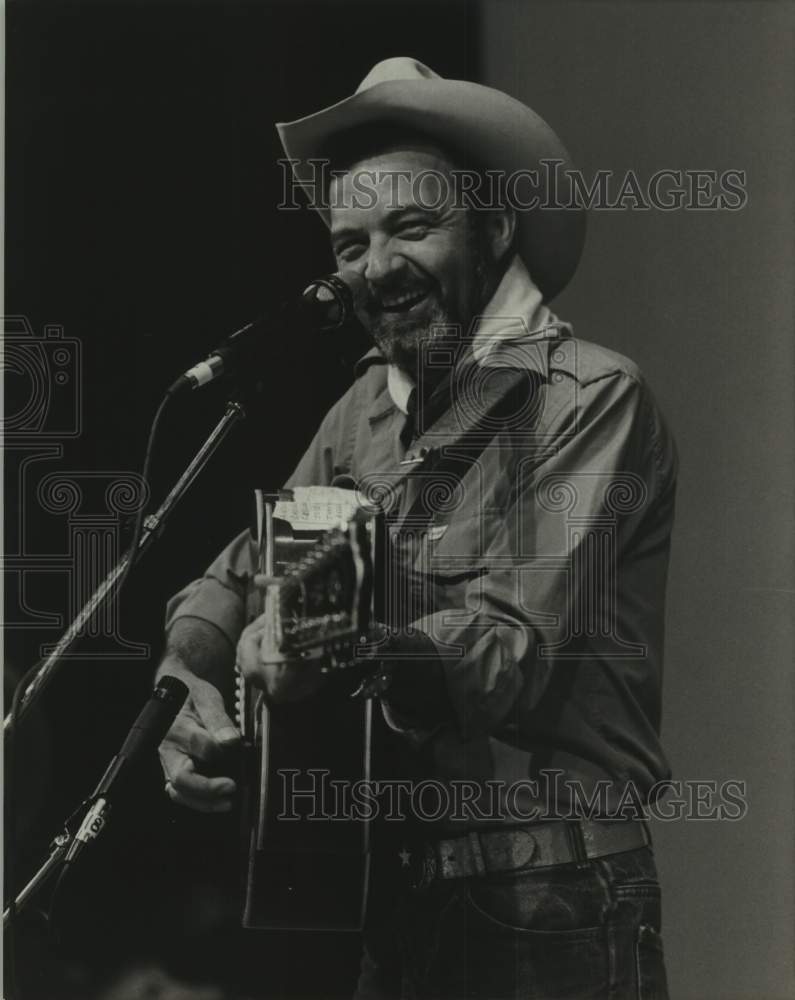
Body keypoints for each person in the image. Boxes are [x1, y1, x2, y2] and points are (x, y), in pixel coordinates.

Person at [157, 58, 676, 999]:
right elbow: (239, 570)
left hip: (550, 900)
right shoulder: (363, 411)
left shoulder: (587, 397)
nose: (377, 268)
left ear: (493, 228)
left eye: (411, 227)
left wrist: (339, 644)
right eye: (349, 244)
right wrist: (187, 675)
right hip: (394, 907)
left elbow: (504, 647)